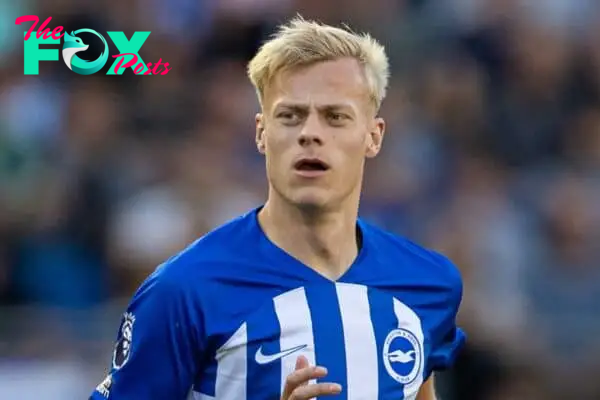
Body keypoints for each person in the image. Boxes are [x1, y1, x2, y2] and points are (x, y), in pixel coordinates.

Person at [90, 16, 465, 400]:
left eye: (335, 117)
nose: (310, 133)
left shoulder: (428, 283)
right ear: (261, 133)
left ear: (373, 136)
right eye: (290, 116)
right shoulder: (183, 291)